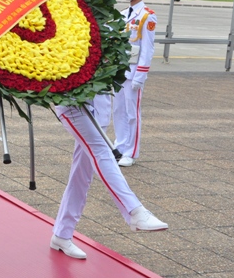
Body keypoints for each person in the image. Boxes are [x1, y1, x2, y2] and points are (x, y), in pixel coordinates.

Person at [50, 101, 168, 259]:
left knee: (81, 174)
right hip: (71, 102)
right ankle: (134, 211)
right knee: (101, 152)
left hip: (99, 107)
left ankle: (62, 233)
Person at [113, 0, 157, 167]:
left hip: (133, 71)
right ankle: (120, 145)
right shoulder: (123, 15)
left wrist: (141, 75)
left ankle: (130, 152)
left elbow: (147, 48)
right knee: (118, 111)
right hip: (120, 70)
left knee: (132, 113)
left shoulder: (147, 16)